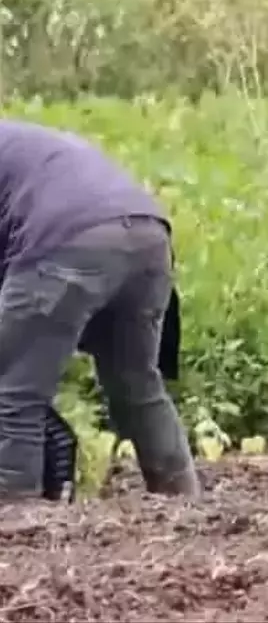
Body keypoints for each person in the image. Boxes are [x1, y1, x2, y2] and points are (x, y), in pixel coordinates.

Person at [0, 118, 199, 500]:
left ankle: (15, 519)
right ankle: (185, 502)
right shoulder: (27, 143)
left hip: (67, 239)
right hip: (149, 235)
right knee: (136, 382)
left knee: (13, 392)